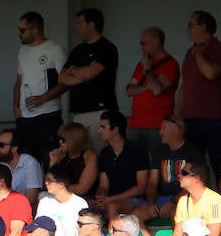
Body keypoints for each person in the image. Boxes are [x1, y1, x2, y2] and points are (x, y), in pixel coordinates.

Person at [54, 8, 120, 143]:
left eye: (80, 23)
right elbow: (62, 78)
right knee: (79, 154)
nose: (76, 27)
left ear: (91, 24)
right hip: (78, 113)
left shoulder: (107, 47)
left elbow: (91, 73)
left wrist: (74, 71)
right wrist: (81, 74)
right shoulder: (78, 50)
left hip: (100, 112)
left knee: (100, 154)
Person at [180, 10, 221, 177]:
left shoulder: (220, 48)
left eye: (191, 25)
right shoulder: (190, 51)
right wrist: (177, 113)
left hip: (212, 116)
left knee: (218, 163)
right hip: (190, 117)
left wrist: (199, 55)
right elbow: (185, 84)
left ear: (203, 25)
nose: (187, 29)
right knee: (193, 164)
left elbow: (211, 73)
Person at [13, 11, 68, 160]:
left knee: (49, 157)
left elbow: (66, 82)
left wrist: (43, 98)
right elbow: (19, 80)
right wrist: (16, 107)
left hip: (48, 115)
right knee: (28, 160)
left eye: (22, 30)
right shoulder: (23, 51)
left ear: (35, 29)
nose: (19, 34)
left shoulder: (55, 49)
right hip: (25, 117)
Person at [133, 115, 203, 224]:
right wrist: (151, 203)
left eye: (163, 128)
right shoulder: (159, 152)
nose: (160, 132)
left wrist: (173, 202)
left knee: (177, 214)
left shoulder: (194, 152)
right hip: (161, 199)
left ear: (176, 129)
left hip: (184, 199)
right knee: (134, 217)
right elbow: (152, 183)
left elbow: (195, 184)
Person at [124, 26, 180, 157]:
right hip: (136, 123)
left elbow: (157, 90)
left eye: (143, 43)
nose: (141, 47)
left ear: (155, 42)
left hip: (158, 125)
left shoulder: (170, 64)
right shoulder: (141, 64)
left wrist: (148, 70)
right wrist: (147, 85)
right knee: (135, 164)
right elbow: (129, 90)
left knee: (159, 164)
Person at [92, 111, 149, 219]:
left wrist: (112, 199)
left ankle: (112, 235)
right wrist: (100, 196)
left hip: (135, 200)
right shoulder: (105, 153)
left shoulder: (137, 150)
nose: (99, 130)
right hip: (111, 200)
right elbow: (103, 185)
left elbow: (141, 188)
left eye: (103, 127)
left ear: (115, 129)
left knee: (112, 207)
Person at [171, 158, 221, 236]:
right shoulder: (183, 200)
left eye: (183, 173)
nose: (179, 175)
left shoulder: (215, 200)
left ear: (196, 178)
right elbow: (177, 234)